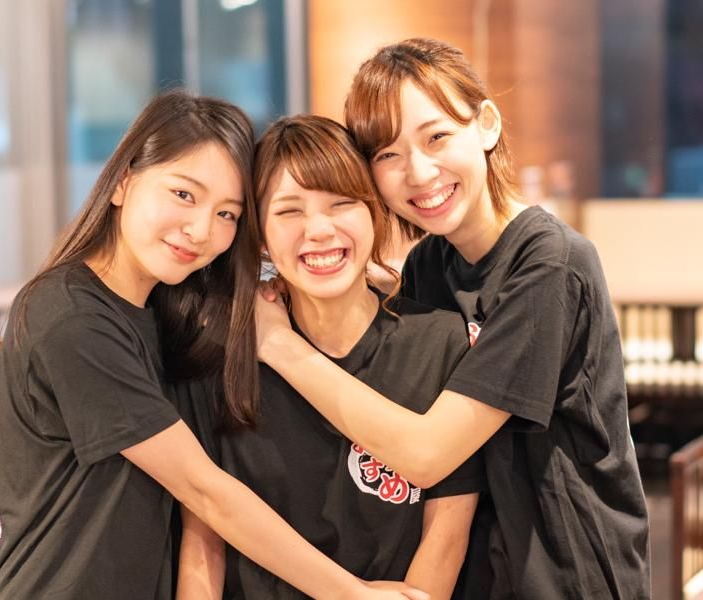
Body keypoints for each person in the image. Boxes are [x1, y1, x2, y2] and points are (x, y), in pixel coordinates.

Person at [0, 89, 428, 600]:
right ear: (122, 181)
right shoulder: (73, 317)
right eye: (184, 195)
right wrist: (354, 594)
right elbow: (206, 492)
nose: (200, 230)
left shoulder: (162, 311)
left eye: (227, 214)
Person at [255, 39, 650, 599]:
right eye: (387, 154)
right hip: (486, 567)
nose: (419, 172)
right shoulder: (429, 264)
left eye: (436, 137)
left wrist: (277, 344)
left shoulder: (550, 265)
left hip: (566, 567)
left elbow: (427, 453)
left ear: (485, 125)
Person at [174, 115, 484, 600]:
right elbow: (203, 540)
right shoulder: (220, 354)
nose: (319, 230)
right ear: (259, 236)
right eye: (289, 211)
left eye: (341, 203)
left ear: (375, 214)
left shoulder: (441, 342)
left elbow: (446, 534)